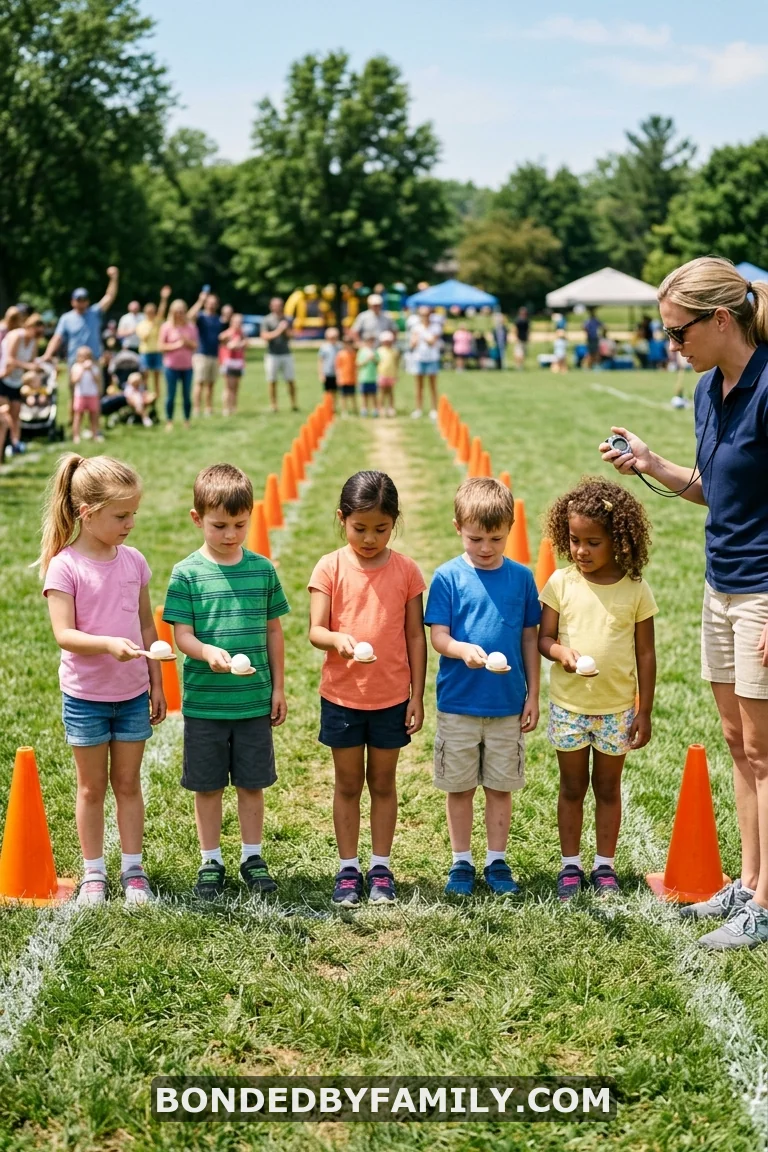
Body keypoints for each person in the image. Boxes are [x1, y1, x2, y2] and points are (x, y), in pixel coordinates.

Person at [601, 256, 768, 949]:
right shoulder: (706, 390)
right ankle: (751, 884)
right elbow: (711, 487)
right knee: (738, 744)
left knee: (765, 750)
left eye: (678, 332)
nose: (672, 345)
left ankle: (766, 902)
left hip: (762, 591)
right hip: (718, 584)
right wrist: (651, 464)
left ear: (720, 319)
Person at [39, 454, 166, 906]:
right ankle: (94, 873)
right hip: (86, 697)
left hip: (131, 694)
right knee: (92, 788)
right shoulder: (65, 566)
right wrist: (109, 643)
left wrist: (157, 681)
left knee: (128, 784)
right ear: (87, 514)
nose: (130, 523)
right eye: (121, 515)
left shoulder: (133, 561)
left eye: (133, 513)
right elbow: (64, 633)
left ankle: (133, 870)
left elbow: (147, 627)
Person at [163, 464, 289, 899]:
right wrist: (206, 652)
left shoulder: (262, 570)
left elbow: (274, 630)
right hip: (205, 703)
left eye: (240, 524)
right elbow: (181, 635)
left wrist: (277, 687)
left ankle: (252, 855)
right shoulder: (186, 574)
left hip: (253, 701)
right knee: (208, 784)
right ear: (198, 519)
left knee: (252, 783)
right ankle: (210, 859)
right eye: (219, 526)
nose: (231, 534)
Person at [308, 471, 427, 906]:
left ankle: (380, 867)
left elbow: (416, 635)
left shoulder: (407, 571)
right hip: (341, 698)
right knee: (347, 784)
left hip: (391, 698)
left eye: (381, 529)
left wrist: (416, 695)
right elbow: (316, 630)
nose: (370, 538)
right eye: (360, 529)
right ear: (342, 519)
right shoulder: (331, 566)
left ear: (394, 522)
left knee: (383, 782)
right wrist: (339, 639)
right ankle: (347, 868)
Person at [538, 477, 657, 900]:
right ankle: (570, 866)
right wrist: (562, 653)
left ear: (619, 541)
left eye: (593, 542)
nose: (581, 551)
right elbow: (543, 639)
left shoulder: (635, 588)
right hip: (569, 706)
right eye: (574, 541)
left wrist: (643, 711)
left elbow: (646, 653)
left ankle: (603, 866)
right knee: (571, 788)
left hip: (617, 709)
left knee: (607, 789)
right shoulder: (560, 583)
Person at [424, 478, 541, 897]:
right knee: (459, 787)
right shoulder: (447, 578)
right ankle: (461, 862)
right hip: (458, 704)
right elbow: (438, 636)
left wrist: (533, 694)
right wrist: (461, 649)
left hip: (507, 706)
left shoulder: (523, 578)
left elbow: (530, 638)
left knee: (499, 786)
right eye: (476, 538)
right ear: (458, 527)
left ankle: (496, 859)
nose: (486, 547)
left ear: (511, 526)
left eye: (496, 537)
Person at [43, 267, 120, 377]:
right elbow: (57, 338)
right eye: (78, 300)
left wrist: (114, 279)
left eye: (84, 300)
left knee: (96, 392)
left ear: (88, 301)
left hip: (94, 360)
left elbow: (109, 296)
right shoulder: (66, 318)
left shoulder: (95, 313)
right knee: (75, 393)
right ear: (72, 302)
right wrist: (48, 354)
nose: (81, 303)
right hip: (75, 361)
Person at [1, 310, 44, 454]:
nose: (38, 336)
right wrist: (30, 367)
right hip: (3, 378)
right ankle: (5, 444)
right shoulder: (16, 336)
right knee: (4, 414)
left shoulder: (33, 341)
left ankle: (15, 444)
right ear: (30, 326)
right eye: (37, 332)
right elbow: (10, 360)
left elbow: (32, 360)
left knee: (16, 413)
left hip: (16, 380)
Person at [158, 296, 202, 432]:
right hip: (171, 366)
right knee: (170, 395)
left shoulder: (191, 327)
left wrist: (186, 342)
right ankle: (169, 421)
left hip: (187, 366)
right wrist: (176, 345)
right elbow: (160, 346)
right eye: (176, 311)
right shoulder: (166, 327)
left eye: (182, 311)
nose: (179, 314)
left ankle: (187, 420)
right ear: (172, 312)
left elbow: (195, 345)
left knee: (186, 395)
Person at [262, 297, 298, 413]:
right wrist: (279, 330)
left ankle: (294, 404)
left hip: (286, 354)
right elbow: (265, 336)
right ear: (271, 307)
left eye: (280, 305)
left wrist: (286, 329)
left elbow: (292, 335)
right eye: (276, 305)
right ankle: (274, 405)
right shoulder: (267, 320)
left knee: (290, 380)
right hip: (272, 354)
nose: (278, 307)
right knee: (272, 380)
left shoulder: (288, 319)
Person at [136, 286, 171, 396]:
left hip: (156, 351)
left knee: (157, 376)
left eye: (152, 311)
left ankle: (157, 395)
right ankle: (145, 393)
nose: (151, 313)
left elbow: (162, 310)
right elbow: (144, 337)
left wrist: (164, 298)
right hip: (145, 352)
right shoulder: (141, 324)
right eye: (149, 311)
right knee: (145, 376)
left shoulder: (158, 321)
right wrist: (152, 326)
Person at [193, 293, 223, 418]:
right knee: (199, 382)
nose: (212, 305)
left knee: (211, 384)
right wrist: (199, 301)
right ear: (206, 303)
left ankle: (208, 408)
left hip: (214, 354)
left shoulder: (218, 319)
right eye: (209, 303)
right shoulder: (200, 317)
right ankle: (196, 408)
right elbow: (190, 316)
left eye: (214, 303)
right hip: (201, 354)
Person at [409, 305, 441, 420]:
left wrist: (421, 336)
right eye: (422, 315)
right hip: (419, 358)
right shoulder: (416, 327)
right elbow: (412, 344)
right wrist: (417, 339)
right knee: (419, 386)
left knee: (432, 386)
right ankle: (418, 409)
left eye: (427, 314)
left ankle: (434, 409)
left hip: (432, 359)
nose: (425, 317)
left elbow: (432, 342)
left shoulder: (435, 327)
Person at [70, 346, 104, 444]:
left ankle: (95, 434)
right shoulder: (76, 367)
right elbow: (74, 380)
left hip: (92, 394)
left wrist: (91, 370)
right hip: (80, 395)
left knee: (93, 416)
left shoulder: (94, 367)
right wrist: (83, 369)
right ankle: (76, 435)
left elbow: (97, 380)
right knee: (78, 415)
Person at [218, 313, 247, 416]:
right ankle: (226, 408)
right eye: (236, 322)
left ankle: (234, 407)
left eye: (240, 322)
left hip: (238, 363)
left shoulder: (242, 334)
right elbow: (222, 340)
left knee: (236, 387)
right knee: (228, 387)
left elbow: (246, 345)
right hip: (228, 363)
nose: (238, 324)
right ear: (232, 323)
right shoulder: (228, 333)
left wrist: (242, 343)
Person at [318, 326, 341, 412]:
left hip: (337, 373)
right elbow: (320, 361)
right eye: (331, 337)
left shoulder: (339, 346)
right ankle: (327, 406)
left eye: (334, 337)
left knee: (336, 391)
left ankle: (334, 407)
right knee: (327, 392)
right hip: (327, 372)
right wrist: (321, 373)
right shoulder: (324, 347)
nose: (333, 339)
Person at [376, 329, 399, 416]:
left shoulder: (394, 351)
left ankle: (391, 408)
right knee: (381, 392)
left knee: (390, 392)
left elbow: (396, 363)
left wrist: (396, 374)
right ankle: (380, 408)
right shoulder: (379, 351)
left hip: (391, 375)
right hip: (382, 374)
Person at [335, 332, 358, 417]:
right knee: (343, 396)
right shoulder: (340, 354)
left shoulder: (354, 354)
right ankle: (344, 411)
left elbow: (356, 366)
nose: (348, 345)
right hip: (343, 378)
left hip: (352, 378)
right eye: (346, 343)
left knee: (353, 395)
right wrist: (338, 378)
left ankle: (355, 409)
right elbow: (338, 367)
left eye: (350, 343)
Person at [356, 334, 379, 417]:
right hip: (364, 377)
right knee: (364, 395)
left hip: (373, 377)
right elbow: (358, 364)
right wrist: (367, 359)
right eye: (369, 340)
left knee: (374, 395)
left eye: (372, 341)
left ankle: (375, 410)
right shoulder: (362, 351)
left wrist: (373, 359)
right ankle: (364, 410)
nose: (370, 342)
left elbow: (378, 362)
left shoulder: (375, 351)